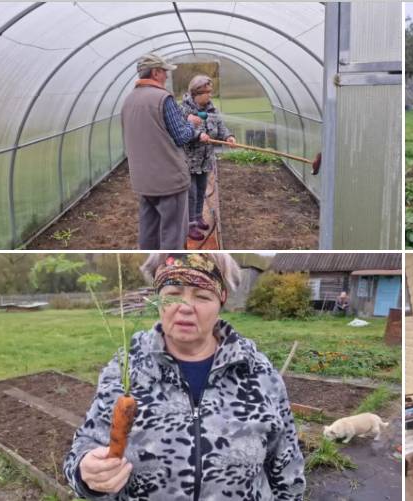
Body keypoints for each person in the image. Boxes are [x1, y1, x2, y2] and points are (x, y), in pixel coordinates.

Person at [63, 253, 305, 500]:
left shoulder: (259, 374)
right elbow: (83, 447)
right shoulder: (125, 371)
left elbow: (288, 470)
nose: (186, 308)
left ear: (221, 300)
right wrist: (86, 473)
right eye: (173, 294)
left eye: (202, 296)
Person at [121, 54, 210, 250]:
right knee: (173, 235)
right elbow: (181, 136)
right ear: (155, 72)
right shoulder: (163, 99)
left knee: (149, 232)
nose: (167, 76)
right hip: (169, 182)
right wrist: (190, 123)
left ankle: (152, 263)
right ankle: (172, 265)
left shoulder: (128, 100)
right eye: (164, 71)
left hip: (143, 181)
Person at [179, 75, 236, 241]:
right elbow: (180, 131)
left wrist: (229, 137)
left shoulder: (212, 109)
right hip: (189, 161)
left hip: (205, 160)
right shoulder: (183, 110)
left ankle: (198, 217)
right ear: (197, 93)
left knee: (201, 190)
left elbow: (221, 126)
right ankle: (190, 225)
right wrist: (197, 135)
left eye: (211, 91)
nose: (210, 95)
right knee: (191, 193)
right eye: (207, 92)